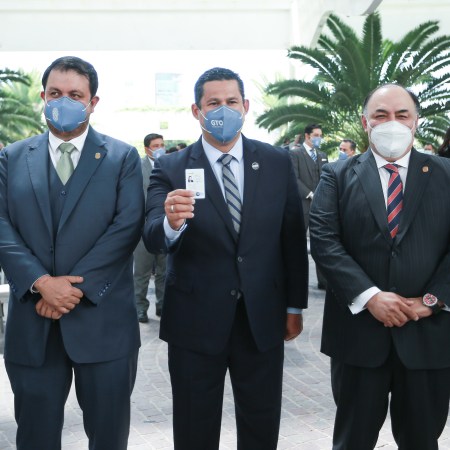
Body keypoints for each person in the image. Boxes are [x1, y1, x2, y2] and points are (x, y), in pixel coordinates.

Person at [143, 67, 308, 450]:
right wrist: (170, 222)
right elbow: (152, 236)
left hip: (260, 318)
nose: (223, 109)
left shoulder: (276, 161)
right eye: (213, 102)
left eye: (231, 102)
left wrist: (294, 306)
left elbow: (291, 239)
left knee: (261, 424)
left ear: (245, 106)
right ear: (196, 111)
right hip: (194, 323)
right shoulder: (170, 167)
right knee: (194, 428)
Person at [0, 56, 144, 450]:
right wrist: (41, 282)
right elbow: (2, 226)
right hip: (34, 324)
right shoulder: (12, 158)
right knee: (35, 437)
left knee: (109, 436)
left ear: (93, 102)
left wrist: (72, 289)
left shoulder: (121, 157)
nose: (64, 101)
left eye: (75, 95)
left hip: (104, 325)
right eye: (55, 93)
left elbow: (126, 227)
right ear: (43, 98)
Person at [309, 83, 450, 450]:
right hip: (358, 336)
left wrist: (432, 300)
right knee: (352, 440)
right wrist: (370, 297)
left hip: (427, 335)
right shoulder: (337, 175)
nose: (392, 123)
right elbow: (324, 240)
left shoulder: (446, 174)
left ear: (416, 121)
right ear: (365, 122)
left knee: (422, 440)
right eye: (381, 115)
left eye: (402, 115)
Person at [289, 123, 328, 289]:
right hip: (302, 205)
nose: (319, 138)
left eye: (320, 135)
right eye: (316, 135)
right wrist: (310, 194)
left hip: (320, 207)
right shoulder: (295, 154)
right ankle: (295, 280)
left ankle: (323, 281)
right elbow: (294, 178)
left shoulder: (322, 155)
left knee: (321, 243)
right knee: (297, 244)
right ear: (307, 136)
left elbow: (327, 177)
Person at [133, 133, 167, 322]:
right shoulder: (137, 167)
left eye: (162, 144)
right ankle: (140, 307)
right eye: (156, 146)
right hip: (143, 227)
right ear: (147, 149)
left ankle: (163, 305)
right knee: (142, 271)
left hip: (165, 226)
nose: (160, 148)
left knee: (164, 270)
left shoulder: (170, 165)